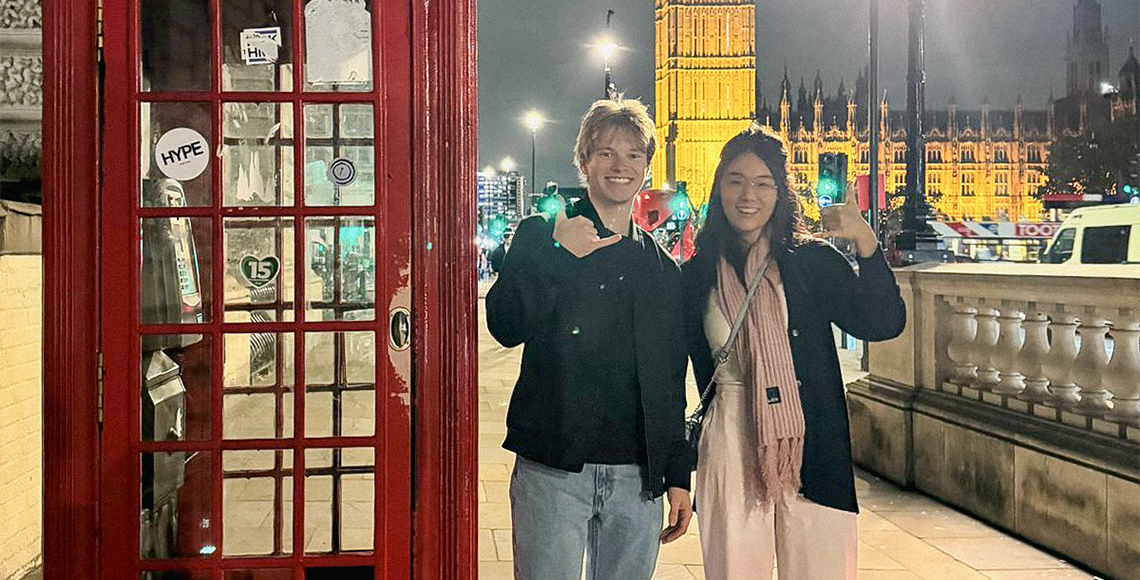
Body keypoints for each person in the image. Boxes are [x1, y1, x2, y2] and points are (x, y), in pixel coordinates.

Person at [681, 125, 906, 580]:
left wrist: (867, 243)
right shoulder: (695, 274)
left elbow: (883, 323)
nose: (749, 195)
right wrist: (673, 474)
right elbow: (668, 377)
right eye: (736, 181)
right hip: (728, 443)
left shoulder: (813, 262)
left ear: (781, 193)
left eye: (764, 184)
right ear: (719, 187)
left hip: (811, 443)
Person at [486, 97, 693, 580]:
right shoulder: (543, 234)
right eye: (605, 153)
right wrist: (561, 257)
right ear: (584, 161)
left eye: (633, 155)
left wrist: (678, 474)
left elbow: (668, 381)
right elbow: (504, 324)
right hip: (554, 470)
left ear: (646, 167)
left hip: (636, 478)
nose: (620, 166)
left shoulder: (661, 268)